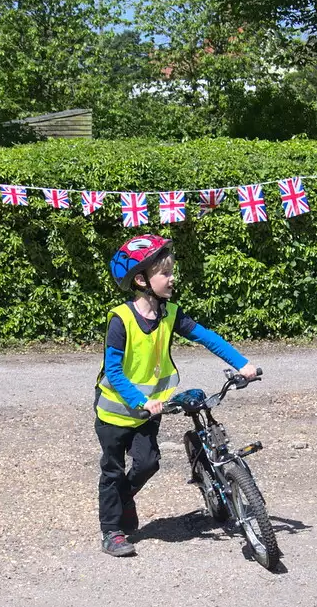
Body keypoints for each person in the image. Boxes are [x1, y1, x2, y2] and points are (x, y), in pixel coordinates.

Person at [95, 235, 259, 557]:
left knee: (148, 464)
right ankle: (112, 530)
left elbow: (205, 336)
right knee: (112, 472)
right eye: (165, 273)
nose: (172, 279)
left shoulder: (170, 314)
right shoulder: (121, 319)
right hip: (115, 413)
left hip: (147, 413)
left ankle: (122, 501)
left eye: (171, 272)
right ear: (141, 280)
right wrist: (142, 401)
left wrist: (243, 363)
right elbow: (113, 372)